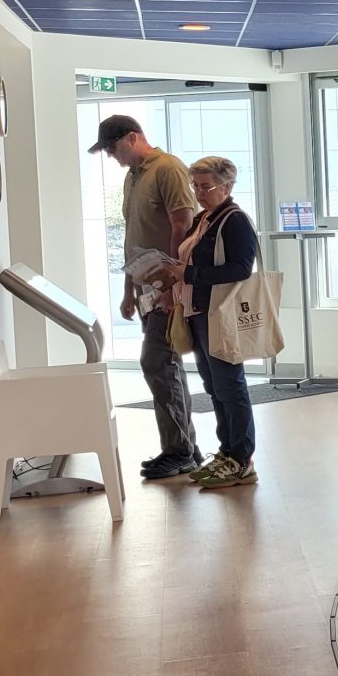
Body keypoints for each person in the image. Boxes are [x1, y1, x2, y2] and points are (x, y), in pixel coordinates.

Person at [90, 115, 201, 480]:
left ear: (133, 138)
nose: (109, 155)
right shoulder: (133, 176)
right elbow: (133, 236)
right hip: (146, 288)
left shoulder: (168, 169)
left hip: (167, 287)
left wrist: (172, 285)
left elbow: (182, 226)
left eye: (112, 147)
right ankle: (184, 447)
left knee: (156, 360)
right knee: (165, 364)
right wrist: (128, 290)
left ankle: (180, 450)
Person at [154, 156, 259, 491]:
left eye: (206, 186)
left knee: (230, 385)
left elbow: (242, 268)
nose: (198, 192)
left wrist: (190, 274)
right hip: (199, 311)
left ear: (227, 186)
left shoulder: (235, 220)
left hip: (221, 314)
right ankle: (227, 451)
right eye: (195, 186)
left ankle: (242, 459)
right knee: (214, 386)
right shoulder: (205, 218)